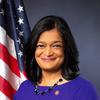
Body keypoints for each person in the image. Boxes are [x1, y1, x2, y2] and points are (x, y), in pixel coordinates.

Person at [14, 15, 99, 100]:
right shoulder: (24, 88)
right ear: (33, 49)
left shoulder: (83, 89)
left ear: (66, 49)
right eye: (41, 45)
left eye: (56, 46)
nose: (48, 53)